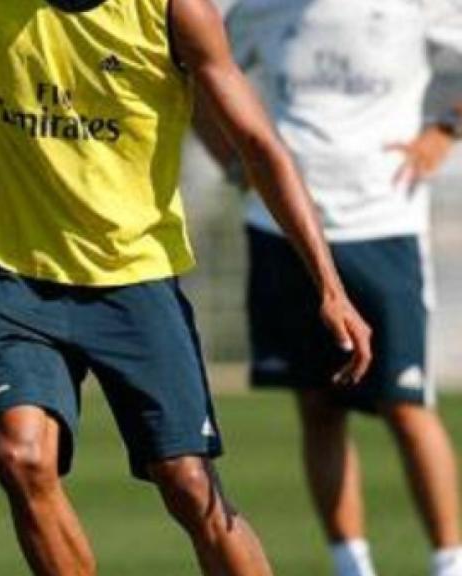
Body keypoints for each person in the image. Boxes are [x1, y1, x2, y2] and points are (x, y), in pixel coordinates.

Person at [0, 0, 372, 574]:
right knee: (20, 456)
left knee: (187, 484)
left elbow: (259, 144)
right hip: (12, 275)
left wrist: (329, 285)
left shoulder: (178, 11)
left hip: (136, 279)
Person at [197, 1, 462, 575]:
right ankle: (351, 566)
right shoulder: (260, 7)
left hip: (384, 222)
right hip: (284, 229)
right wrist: (237, 166)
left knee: (407, 405)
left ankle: (449, 563)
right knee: (318, 405)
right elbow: (196, 75)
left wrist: (445, 131)